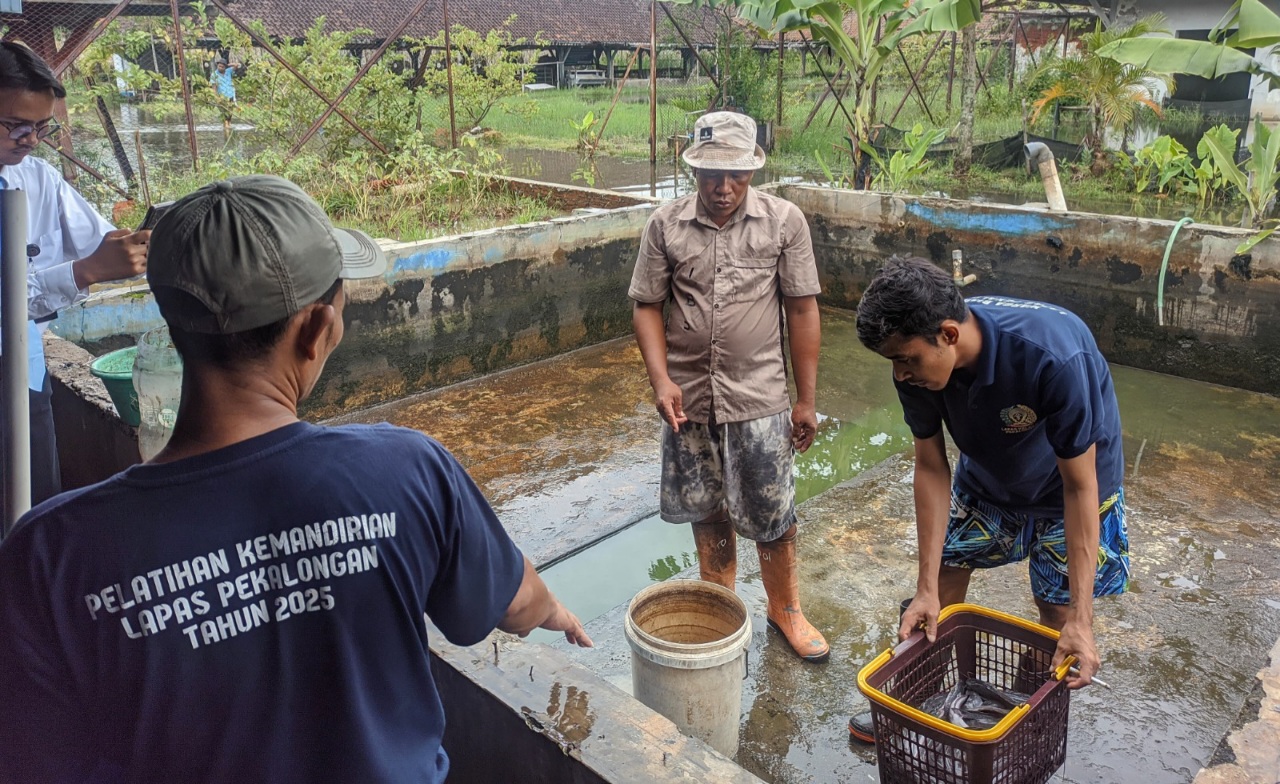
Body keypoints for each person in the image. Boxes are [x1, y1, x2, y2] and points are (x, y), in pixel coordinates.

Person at [0, 174, 593, 783]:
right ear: (318, 332)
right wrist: (553, 610)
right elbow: (516, 607)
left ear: (175, 328)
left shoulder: (49, 553)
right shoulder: (407, 470)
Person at [847, 256, 1127, 742]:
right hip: (989, 481)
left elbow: (1081, 488)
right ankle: (915, 696)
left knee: (1057, 613)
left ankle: (1019, 715)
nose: (900, 373)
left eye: (907, 358)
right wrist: (924, 587)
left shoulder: (1051, 357)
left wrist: (1083, 621)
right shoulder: (915, 371)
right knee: (943, 576)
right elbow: (931, 467)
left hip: (1069, 489)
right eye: (892, 360)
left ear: (949, 335)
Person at [629, 111, 829, 662]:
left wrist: (806, 399)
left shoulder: (784, 222)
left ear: (753, 170)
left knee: (771, 509)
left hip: (759, 395)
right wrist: (661, 379)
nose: (723, 188)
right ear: (692, 169)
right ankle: (722, 603)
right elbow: (647, 306)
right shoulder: (665, 225)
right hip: (688, 398)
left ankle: (785, 609)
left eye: (736, 175)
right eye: (712, 176)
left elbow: (802, 308)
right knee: (706, 505)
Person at [0, 41, 149, 513]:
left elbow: (98, 240)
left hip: (24, 371)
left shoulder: (37, 178)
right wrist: (85, 272)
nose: (31, 139)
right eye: (16, 126)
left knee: (35, 499)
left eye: (42, 127)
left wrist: (136, 246)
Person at [209, 57, 240, 136]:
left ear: (225, 67)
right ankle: (226, 129)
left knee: (230, 113)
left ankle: (227, 126)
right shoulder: (214, 75)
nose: (220, 68)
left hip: (230, 95)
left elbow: (237, 65)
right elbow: (214, 88)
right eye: (219, 66)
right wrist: (216, 98)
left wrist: (227, 65)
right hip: (222, 97)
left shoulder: (228, 71)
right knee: (224, 112)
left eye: (222, 67)